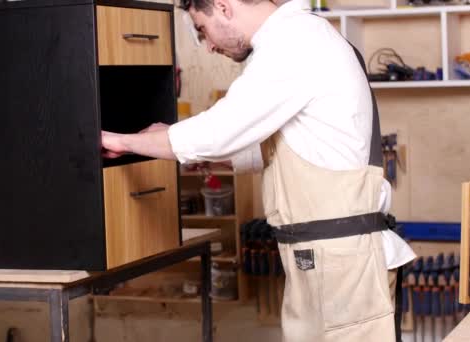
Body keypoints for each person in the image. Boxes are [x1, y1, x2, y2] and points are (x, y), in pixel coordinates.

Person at [101, 0, 416, 341]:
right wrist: (196, 152)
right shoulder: (299, 37)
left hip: (341, 262)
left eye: (201, 29)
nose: (207, 45)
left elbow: (220, 131)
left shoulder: (294, 40)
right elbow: (281, 146)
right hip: (328, 258)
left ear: (223, 6)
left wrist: (123, 142)